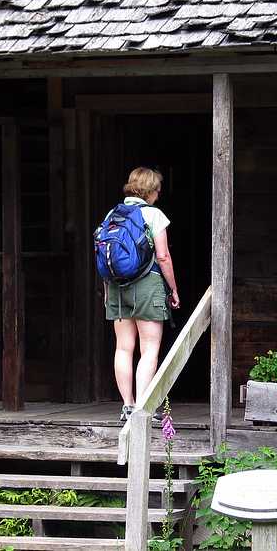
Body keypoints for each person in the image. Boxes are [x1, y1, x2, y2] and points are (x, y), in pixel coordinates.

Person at [105, 167, 180, 422]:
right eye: (157, 190)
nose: (158, 195)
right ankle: (142, 410)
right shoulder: (154, 215)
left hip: (117, 287)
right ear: (150, 190)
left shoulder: (113, 214)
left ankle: (127, 406)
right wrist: (173, 288)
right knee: (149, 349)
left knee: (123, 348)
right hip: (147, 285)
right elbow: (163, 255)